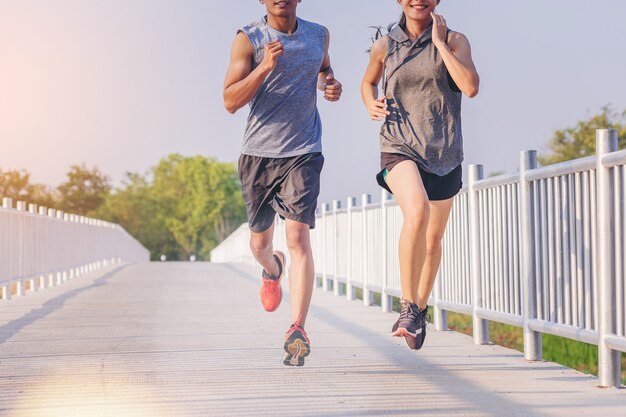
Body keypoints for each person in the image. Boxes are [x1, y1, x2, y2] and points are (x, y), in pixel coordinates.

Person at [223, 0, 342, 366]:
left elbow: (323, 70)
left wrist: (329, 85)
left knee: (297, 237)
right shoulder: (249, 38)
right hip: (258, 154)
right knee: (260, 243)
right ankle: (272, 268)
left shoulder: (317, 35)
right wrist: (264, 68)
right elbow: (229, 101)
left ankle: (298, 329)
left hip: (304, 149)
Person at [361, 0, 479, 350]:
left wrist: (440, 44)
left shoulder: (455, 40)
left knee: (432, 241)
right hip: (398, 145)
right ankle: (408, 305)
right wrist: (370, 102)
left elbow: (470, 87)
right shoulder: (386, 45)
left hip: (444, 152)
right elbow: (367, 83)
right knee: (417, 212)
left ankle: (418, 313)